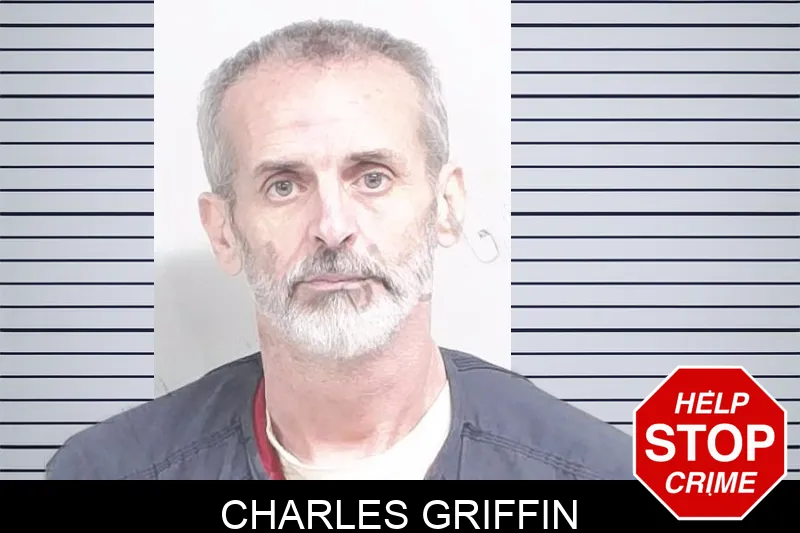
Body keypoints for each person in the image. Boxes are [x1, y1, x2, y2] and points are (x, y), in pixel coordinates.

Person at [46, 19, 632, 480]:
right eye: (283, 185)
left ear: (446, 206)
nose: (332, 226)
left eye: (372, 177)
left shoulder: (597, 472)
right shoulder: (108, 472)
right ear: (224, 231)